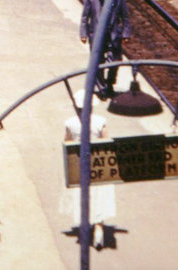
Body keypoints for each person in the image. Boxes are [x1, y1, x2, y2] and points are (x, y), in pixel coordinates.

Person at [63, 90, 115, 250]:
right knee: (100, 194)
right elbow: (107, 142)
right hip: (98, 162)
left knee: (83, 194)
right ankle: (99, 226)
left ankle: (85, 225)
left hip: (80, 162)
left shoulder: (71, 123)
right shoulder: (100, 121)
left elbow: (67, 142)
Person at [79, 0, 131, 99]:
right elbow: (85, 16)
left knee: (116, 61)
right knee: (97, 62)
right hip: (96, 35)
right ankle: (102, 89)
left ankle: (110, 84)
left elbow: (125, 17)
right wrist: (83, 33)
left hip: (113, 36)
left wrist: (126, 33)